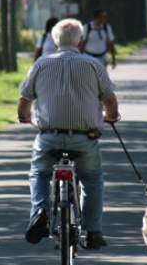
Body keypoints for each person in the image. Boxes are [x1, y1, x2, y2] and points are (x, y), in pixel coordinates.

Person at [18, 18, 120, 250]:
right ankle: (93, 231)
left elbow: (24, 100)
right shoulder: (94, 65)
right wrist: (111, 116)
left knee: (39, 173)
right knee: (92, 180)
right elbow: (110, 100)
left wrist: (24, 116)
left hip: (48, 137)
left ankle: (40, 212)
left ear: (55, 41)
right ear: (80, 41)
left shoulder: (41, 64)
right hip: (85, 138)